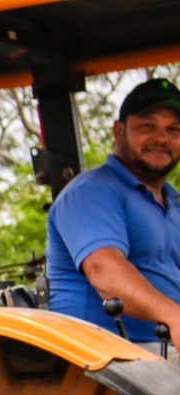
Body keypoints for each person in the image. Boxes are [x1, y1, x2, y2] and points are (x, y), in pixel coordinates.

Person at [48, 77, 180, 352]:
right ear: (119, 131)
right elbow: (105, 272)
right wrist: (174, 316)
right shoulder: (92, 192)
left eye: (174, 129)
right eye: (148, 126)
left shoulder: (173, 202)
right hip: (107, 356)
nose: (162, 138)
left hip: (162, 350)